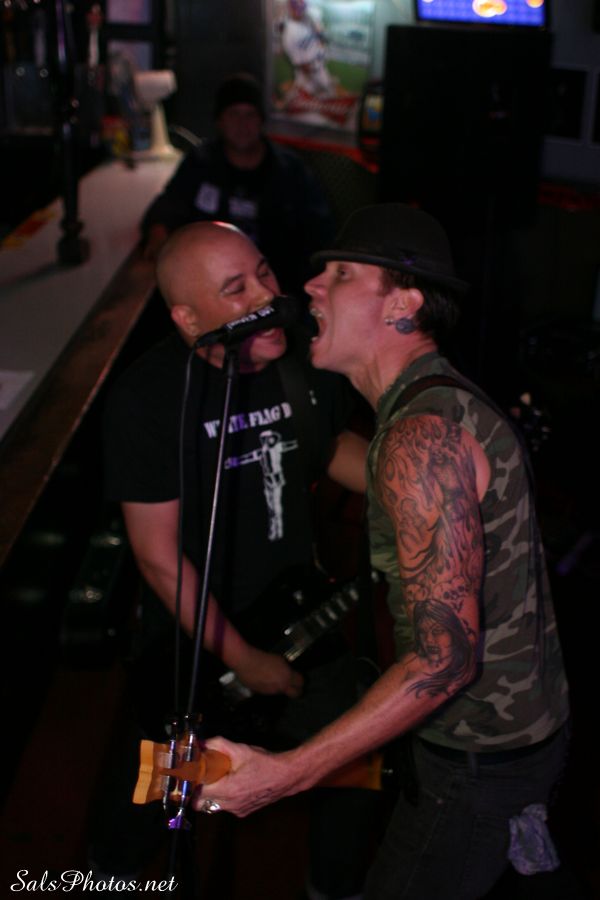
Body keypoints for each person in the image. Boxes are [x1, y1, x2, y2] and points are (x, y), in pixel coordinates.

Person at [193, 203, 571, 900]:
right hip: (499, 746)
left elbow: (445, 658)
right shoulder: (426, 412)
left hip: (478, 762)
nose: (310, 286)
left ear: (403, 304)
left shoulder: (418, 439)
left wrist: (285, 774)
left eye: (340, 274)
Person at [92, 220, 374, 898]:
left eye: (264, 273)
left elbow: (329, 447)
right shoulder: (148, 400)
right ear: (189, 319)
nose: (266, 296)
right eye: (235, 288)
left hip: (302, 613)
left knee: (357, 765)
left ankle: (337, 887)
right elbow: (158, 557)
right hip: (197, 648)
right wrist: (244, 658)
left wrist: (418, 479)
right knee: (153, 802)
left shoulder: (299, 359)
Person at [141, 71, 335, 296]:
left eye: (250, 115)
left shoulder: (291, 170)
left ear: (261, 121)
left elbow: (321, 232)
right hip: (209, 283)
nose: (242, 124)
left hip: (277, 288)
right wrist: (158, 233)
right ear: (219, 121)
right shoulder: (201, 162)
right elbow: (169, 204)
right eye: (233, 114)